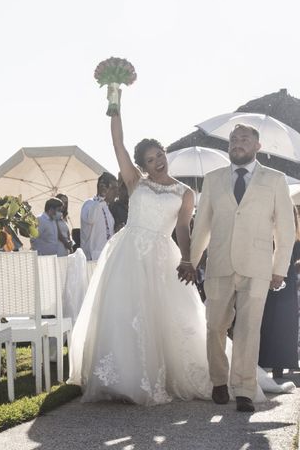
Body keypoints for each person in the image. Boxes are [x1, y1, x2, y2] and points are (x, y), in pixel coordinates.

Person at [68, 91, 293, 407]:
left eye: (159, 154)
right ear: (141, 164)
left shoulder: (186, 192)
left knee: (222, 327)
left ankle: (237, 387)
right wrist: (115, 105)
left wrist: (188, 260)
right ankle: (125, 378)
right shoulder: (138, 182)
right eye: (149, 159)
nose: (157, 161)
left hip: (175, 257)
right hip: (129, 255)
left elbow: (185, 229)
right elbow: (118, 144)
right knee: (128, 315)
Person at [188, 123, 296, 412]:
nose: (237, 143)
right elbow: (202, 227)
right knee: (215, 327)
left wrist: (279, 268)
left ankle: (245, 389)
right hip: (219, 263)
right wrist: (191, 261)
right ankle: (219, 381)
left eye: (244, 139)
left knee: (249, 329)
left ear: (257, 146)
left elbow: (285, 228)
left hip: (257, 265)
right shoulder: (212, 179)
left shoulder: (275, 180)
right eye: (233, 139)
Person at [258, 206, 300, 378]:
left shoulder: (294, 238)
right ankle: (274, 365)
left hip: (284, 281)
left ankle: (275, 365)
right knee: (272, 322)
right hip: (272, 279)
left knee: (279, 323)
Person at [80, 173, 118, 260]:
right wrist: (101, 196)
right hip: (92, 260)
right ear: (102, 187)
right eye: (113, 188)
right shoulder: (89, 204)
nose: (117, 193)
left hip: (105, 258)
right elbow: (90, 219)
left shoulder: (106, 207)